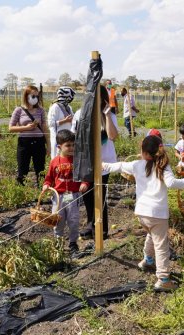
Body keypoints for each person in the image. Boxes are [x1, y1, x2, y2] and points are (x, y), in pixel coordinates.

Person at [102, 135, 184, 291]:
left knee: (151, 235)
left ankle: (147, 260)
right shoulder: (163, 166)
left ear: (144, 152)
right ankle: (163, 279)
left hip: (142, 213)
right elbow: (171, 183)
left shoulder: (137, 165)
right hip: (158, 214)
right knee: (161, 246)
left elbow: (119, 166)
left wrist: (102, 165)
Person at [73, 85, 119, 240]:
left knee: (100, 194)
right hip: (86, 161)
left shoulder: (109, 115)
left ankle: (102, 229)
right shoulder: (80, 114)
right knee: (86, 192)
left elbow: (112, 136)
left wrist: (106, 114)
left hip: (104, 162)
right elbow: (75, 137)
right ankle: (90, 224)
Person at [43, 130, 88, 254]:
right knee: (58, 220)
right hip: (58, 196)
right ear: (59, 147)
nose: (71, 148)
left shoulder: (77, 160)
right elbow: (49, 178)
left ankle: (73, 243)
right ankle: (58, 243)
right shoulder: (54, 162)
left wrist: (85, 183)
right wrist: (46, 185)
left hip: (73, 195)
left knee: (73, 220)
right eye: (68, 145)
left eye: (73, 145)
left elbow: (85, 175)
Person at [9, 85, 50, 186]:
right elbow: (11, 128)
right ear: (26, 96)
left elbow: (44, 128)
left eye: (37, 96)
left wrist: (48, 145)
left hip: (39, 142)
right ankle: (21, 191)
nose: (35, 98)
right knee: (23, 169)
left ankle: (41, 192)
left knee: (40, 169)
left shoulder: (40, 110)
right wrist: (27, 128)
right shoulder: (19, 110)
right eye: (33, 96)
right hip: (24, 143)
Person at [47, 86, 76, 158]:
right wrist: (64, 121)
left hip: (69, 139)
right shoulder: (55, 107)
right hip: (58, 139)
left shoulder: (69, 107)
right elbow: (50, 124)